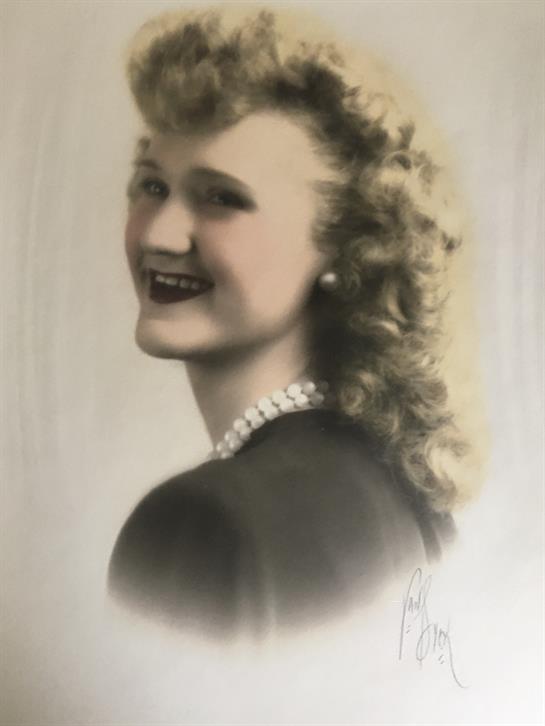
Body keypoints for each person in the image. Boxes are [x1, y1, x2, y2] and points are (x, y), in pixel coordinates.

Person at [107, 3, 477, 641]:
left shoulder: (201, 522)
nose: (161, 236)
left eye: (222, 198)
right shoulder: (408, 500)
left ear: (344, 247)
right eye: (152, 186)